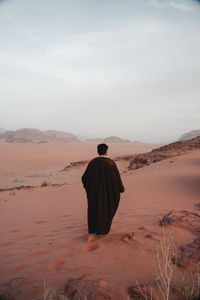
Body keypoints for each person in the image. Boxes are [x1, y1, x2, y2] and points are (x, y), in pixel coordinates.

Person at [81, 143, 125, 239]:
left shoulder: (92, 163)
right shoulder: (111, 163)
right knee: (105, 210)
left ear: (98, 151)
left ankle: (95, 229)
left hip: (94, 194)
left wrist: (90, 188)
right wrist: (120, 189)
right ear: (106, 152)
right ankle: (103, 230)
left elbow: (84, 178)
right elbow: (116, 179)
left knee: (95, 210)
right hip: (107, 194)